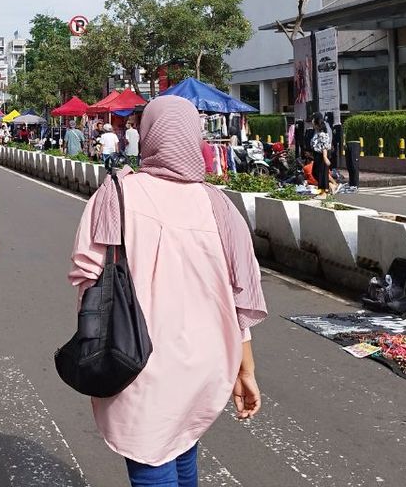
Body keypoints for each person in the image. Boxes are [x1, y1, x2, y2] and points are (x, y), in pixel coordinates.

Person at [69, 96, 266, 485]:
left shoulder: (116, 194)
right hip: (205, 362)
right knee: (181, 443)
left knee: (151, 454)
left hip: (138, 358)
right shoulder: (219, 206)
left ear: (147, 136)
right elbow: (239, 300)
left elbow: (88, 278)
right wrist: (247, 369)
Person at [310, 115, 338, 194]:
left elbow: (324, 146)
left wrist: (325, 157)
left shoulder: (322, 134)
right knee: (315, 172)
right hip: (317, 155)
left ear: (316, 122)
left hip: (322, 155)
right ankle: (330, 185)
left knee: (322, 174)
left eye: (313, 119)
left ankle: (323, 192)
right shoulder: (316, 132)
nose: (312, 121)